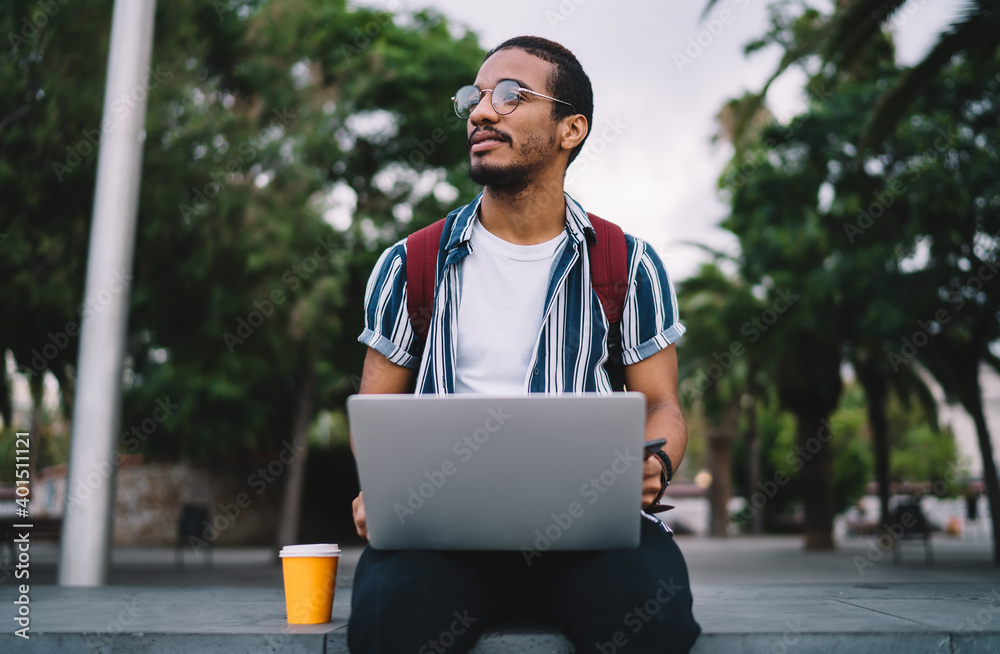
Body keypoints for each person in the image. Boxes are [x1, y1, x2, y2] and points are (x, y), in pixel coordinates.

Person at [348, 35, 701, 654]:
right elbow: (374, 413)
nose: (482, 111)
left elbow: (662, 406)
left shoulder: (627, 262)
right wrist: (379, 490)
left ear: (571, 129)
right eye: (475, 97)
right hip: (442, 533)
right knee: (389, 628)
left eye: (510, 95)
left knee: (653, 623)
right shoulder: (409, 264)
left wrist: (657, 464)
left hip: (592, 530)